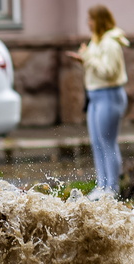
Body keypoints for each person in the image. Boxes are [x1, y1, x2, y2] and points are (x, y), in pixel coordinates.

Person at [67, 5, 129, 199]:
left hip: (109, 96)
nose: (88, 23)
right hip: (95, 97)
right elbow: (95, 65)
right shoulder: (97, 41)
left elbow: (108, 72)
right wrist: (85, 60)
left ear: (100, 20)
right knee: (97, 143)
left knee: (108, 142)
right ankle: (101, 186)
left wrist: (87, 57)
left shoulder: (111, 43)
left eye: (91, 19)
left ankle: (112, 187)